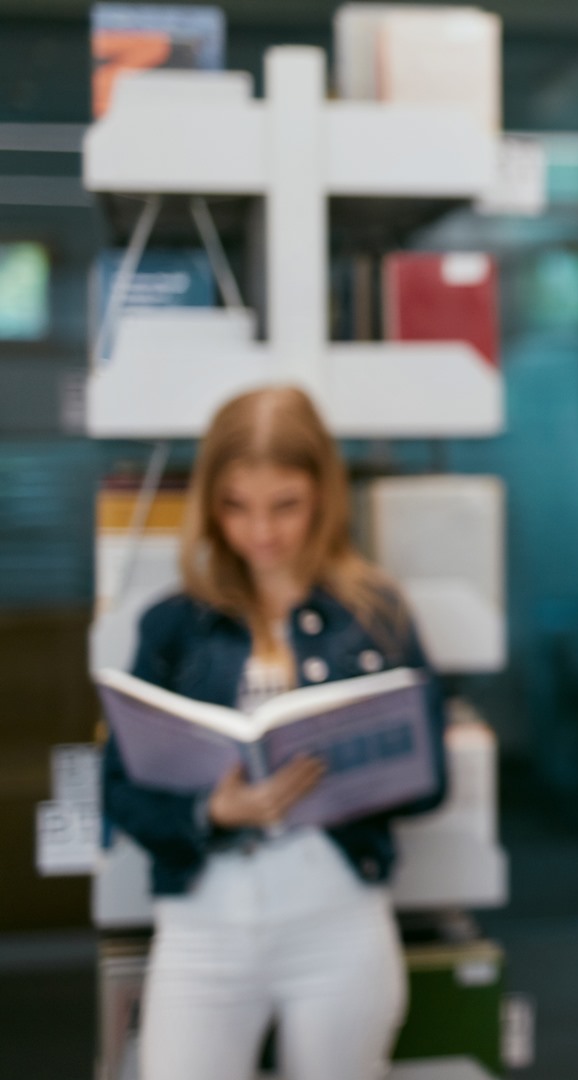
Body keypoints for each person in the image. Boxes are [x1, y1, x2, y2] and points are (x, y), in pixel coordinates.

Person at [101, 386, 446, 1080]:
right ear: (210, 504)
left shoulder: (373, 615)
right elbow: (120, 793)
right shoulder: (172, 625)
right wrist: (212, 812)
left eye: (284, 505)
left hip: (337, 917)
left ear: (322, 493)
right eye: (236, 506)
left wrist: (347, 778)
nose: (261, 531)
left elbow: (432, 777)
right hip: (206, 925)